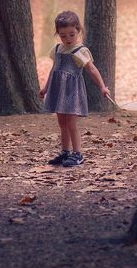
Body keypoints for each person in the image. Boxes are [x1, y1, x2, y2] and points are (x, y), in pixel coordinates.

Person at [39, 10, 110, 167]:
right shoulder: (58, 49)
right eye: (63, 35)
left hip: (72, 92)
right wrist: (46, 88)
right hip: (58, 90)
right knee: (62, 123)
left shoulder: (81, 51)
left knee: (71, 124)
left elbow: (92, 69)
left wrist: (103, 87)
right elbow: (54, 69)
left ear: (78, 30)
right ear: (58, 34)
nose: (68, 39)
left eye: (72, 34)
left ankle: (78, 154)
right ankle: (65, 152)